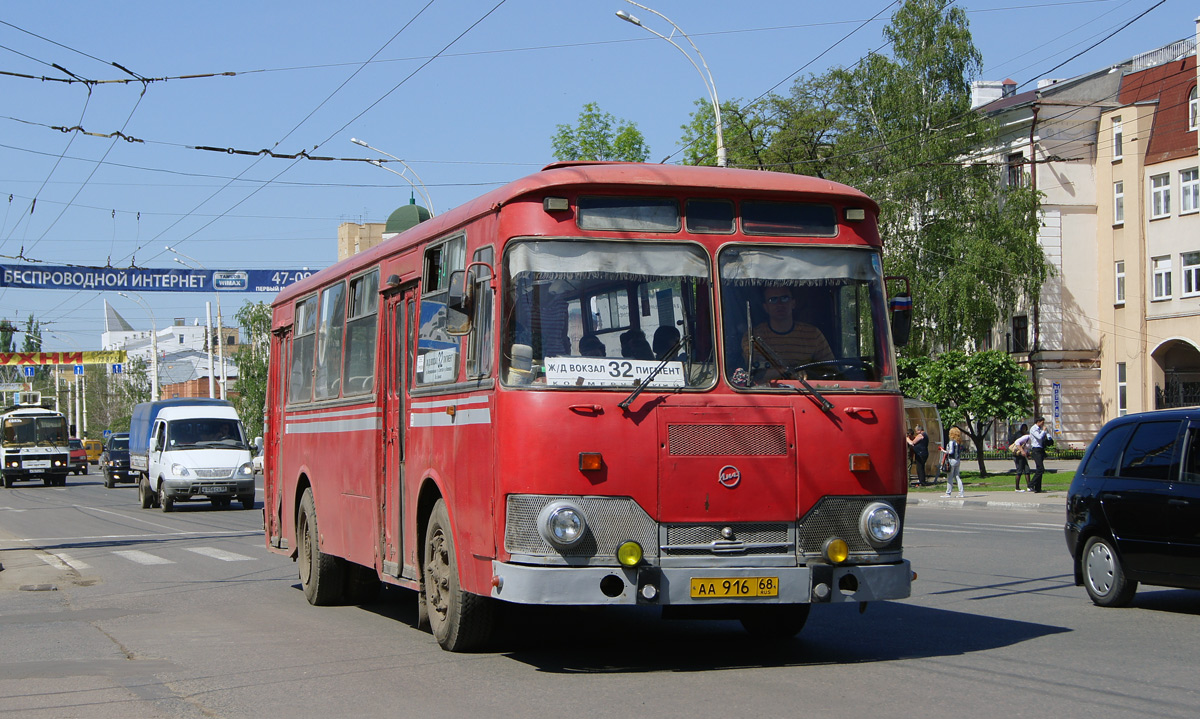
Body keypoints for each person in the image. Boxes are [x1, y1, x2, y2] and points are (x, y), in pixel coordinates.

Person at [742, 286, 834, 380]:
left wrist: (808, 374)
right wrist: (788, 372)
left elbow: (830, 371)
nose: (779, 304)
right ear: (765, 307)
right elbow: (756, 376)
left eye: (784, 298)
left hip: (808, 391)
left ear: (793, 303)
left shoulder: (813, 334)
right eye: (773, 300)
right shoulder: (753, 336)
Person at [1028, 416, 1053, 493]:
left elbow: (1047, 439)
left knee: (1039, 470)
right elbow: (1039, 437)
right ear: (1038, 422)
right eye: (1042, 422)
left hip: (1041, 449)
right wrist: (1043, 431)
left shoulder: (1040, 429)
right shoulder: (1033, 429)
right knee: (1040, 469)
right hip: (1036, 450)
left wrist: (1047, 433)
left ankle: (1038, 488)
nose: (1043, 424)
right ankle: (1031, 484)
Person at [941, 426, 964, 498]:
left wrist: (943, 451)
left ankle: (948, 493)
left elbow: (950, 452)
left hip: (952, 460)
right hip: (958, 460)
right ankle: (961, 493)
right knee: (957, 477)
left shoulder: (951, 442)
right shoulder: (958, 442)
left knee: (950, 477)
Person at [1009, 423, 1032, 492]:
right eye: (1023, 428)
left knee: (1027, 470)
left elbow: (1026, 448)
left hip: (1023, 456)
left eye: (1025, 428)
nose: (1024, 430)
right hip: (1018, 455)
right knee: (1019, 470)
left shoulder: (1031, 439)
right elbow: (1016, 442)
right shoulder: (1024, 436)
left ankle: (1029, 486)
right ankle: (1017, 488)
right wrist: (1022, 451)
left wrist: (1027, 453)